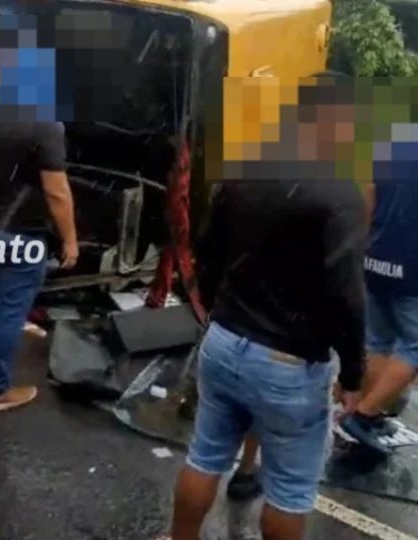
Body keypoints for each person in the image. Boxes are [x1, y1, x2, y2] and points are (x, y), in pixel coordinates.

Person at [164, 75, 367, 540]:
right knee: (290, 491)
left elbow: (207, 249)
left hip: (224, 341)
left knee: (204, 456)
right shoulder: (340, 193)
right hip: (288, 365)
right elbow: (346, 292)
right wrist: (354, 373)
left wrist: (221, 310)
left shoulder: (248, 167)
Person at [0, 121, 78, 412]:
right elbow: (56, 191)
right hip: (19, 234)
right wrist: (70, 240)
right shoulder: (45, 125)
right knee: (9, 311)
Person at [338, 123, 418, 454]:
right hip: (413, 267)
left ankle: (366, 416)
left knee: (380, 340)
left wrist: (365, 247)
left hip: (378, 257)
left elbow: (369, 196)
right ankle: (364, 414)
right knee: (414, 347)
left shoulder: (396, 140)